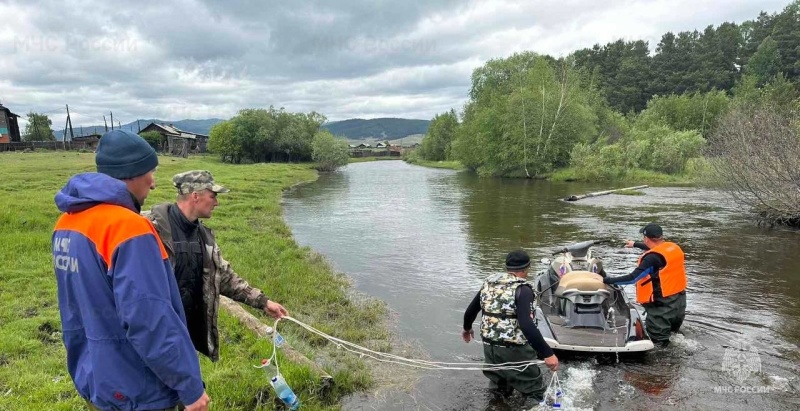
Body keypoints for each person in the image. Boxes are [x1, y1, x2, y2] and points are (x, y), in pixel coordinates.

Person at [52, 130, 210, 411]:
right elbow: (148, 318)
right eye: (150, 172)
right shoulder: (128, 228)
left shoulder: (66, 222)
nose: (153, 183)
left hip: (94, 377)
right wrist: (190, 386)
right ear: (132, 174)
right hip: (137, 388)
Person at [144, 170, 289, 361]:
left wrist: (263, 302)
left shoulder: (203, 236)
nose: (217, 203)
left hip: (185, 336)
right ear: (195, 196)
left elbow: (224, 277)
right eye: (213, 196)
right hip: (151, 335)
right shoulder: (148, 229)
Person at [462, 250, 559, 407]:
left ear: (507, 267)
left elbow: (471, 311)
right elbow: (526, 324)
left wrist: (467, 329)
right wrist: (548, 354)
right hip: (514, 350)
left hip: (490, 348)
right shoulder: (523, 289)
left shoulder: (489, 283)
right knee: (534, 392)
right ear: (527, 268)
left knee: (499, 388)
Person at [604, 223, 687, 347]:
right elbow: (655, 250)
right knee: (673, 335)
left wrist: (606, 280)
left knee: (657, 343)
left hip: (662, 306)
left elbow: (632, 278)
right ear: (660, 237)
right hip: (679, 302)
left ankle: (660, 365)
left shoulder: (651, 259)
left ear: (646, 238)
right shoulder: (673, 248)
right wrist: (635, 244)